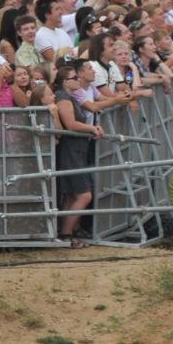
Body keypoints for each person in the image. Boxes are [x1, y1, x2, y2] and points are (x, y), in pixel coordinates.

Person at [54, 58, 105, 245]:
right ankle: (66, 234)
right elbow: (70, 124)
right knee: (84, 195)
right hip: (71, 150)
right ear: (66, 82)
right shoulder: (63, 97)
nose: (78, 81)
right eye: (74, 78)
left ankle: (65, 232)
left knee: (71, 195)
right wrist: (91, 129)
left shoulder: (68, 97)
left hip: (78, 149)